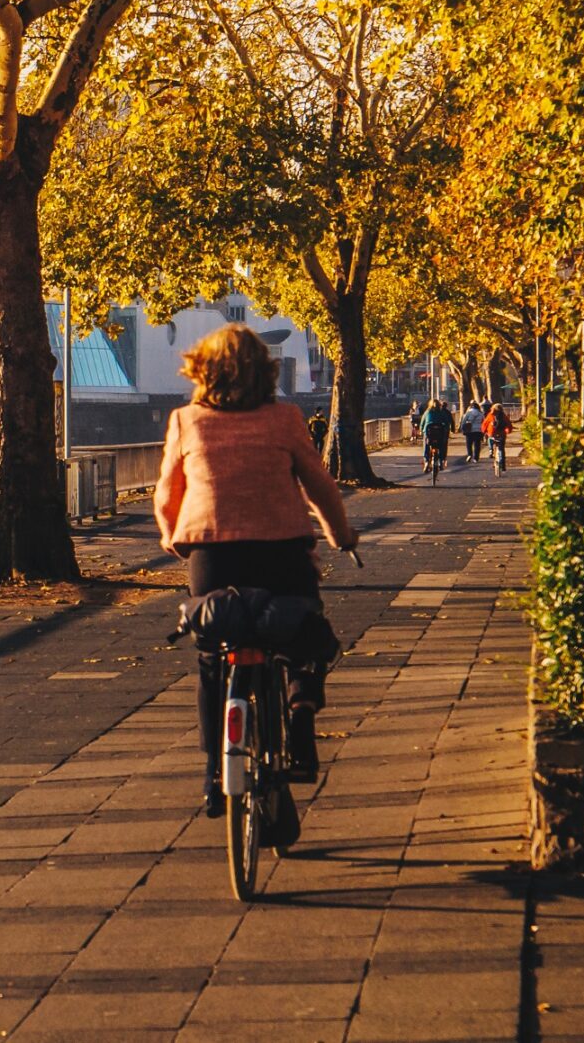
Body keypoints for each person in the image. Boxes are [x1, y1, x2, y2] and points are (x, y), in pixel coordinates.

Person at [156, 324, 358, 817]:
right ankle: (302, 716)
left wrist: (174, 539)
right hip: (281, 551)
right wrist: (340, 536)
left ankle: (212, 775)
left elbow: (167, 494)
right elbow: (320, 486)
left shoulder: (187, 421)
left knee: (212, 655)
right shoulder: (286, 419)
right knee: (305, 631)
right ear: (266, 373)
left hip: (212, 554)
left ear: (202, 371)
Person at [420, 398, 454, 474]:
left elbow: (422, 423)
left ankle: (426, 460)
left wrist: (422, 430)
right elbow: (447, 422)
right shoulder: (442, 412)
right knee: (443, 445)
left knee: (426, 444)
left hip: (429, 433)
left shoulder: (427, 412)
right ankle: (442, 460)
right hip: (439, 434)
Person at [483, 400, 513, 471]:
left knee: (490, 440)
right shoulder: (503, 416)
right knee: (501, 449)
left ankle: (491, 450)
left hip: (492, 433)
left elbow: (485, 423)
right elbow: (509, 424)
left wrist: (484, 431)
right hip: (502, 434)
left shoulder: (490, 415)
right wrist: (508, 431)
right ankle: (503, 466)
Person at [460, 399, 485, 464]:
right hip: (478, 430)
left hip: (469, 430)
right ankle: (476, 458)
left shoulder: (468, 413)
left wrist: (462, 428)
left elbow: (464, 421)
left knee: (469, 444)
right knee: (477, 445)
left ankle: (469, 454)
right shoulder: (481, 413)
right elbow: (484, 421)